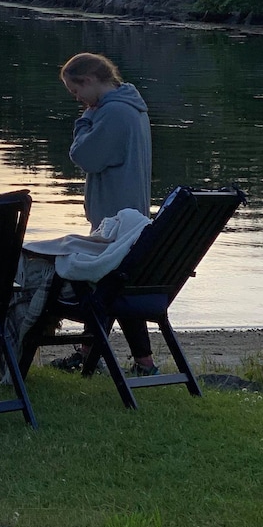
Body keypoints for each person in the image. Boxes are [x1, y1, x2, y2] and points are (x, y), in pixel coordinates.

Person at [53, 52, 157, 376]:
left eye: (76, 92)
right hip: (128, 211)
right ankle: (130, 360)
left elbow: (84, 156)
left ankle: (94, 356)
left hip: (116, 218)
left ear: (89, 81)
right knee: (114, 286)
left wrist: (85, 118)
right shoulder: (133, 107)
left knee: (107, 285)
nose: (78, 99)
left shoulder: (112, 113)